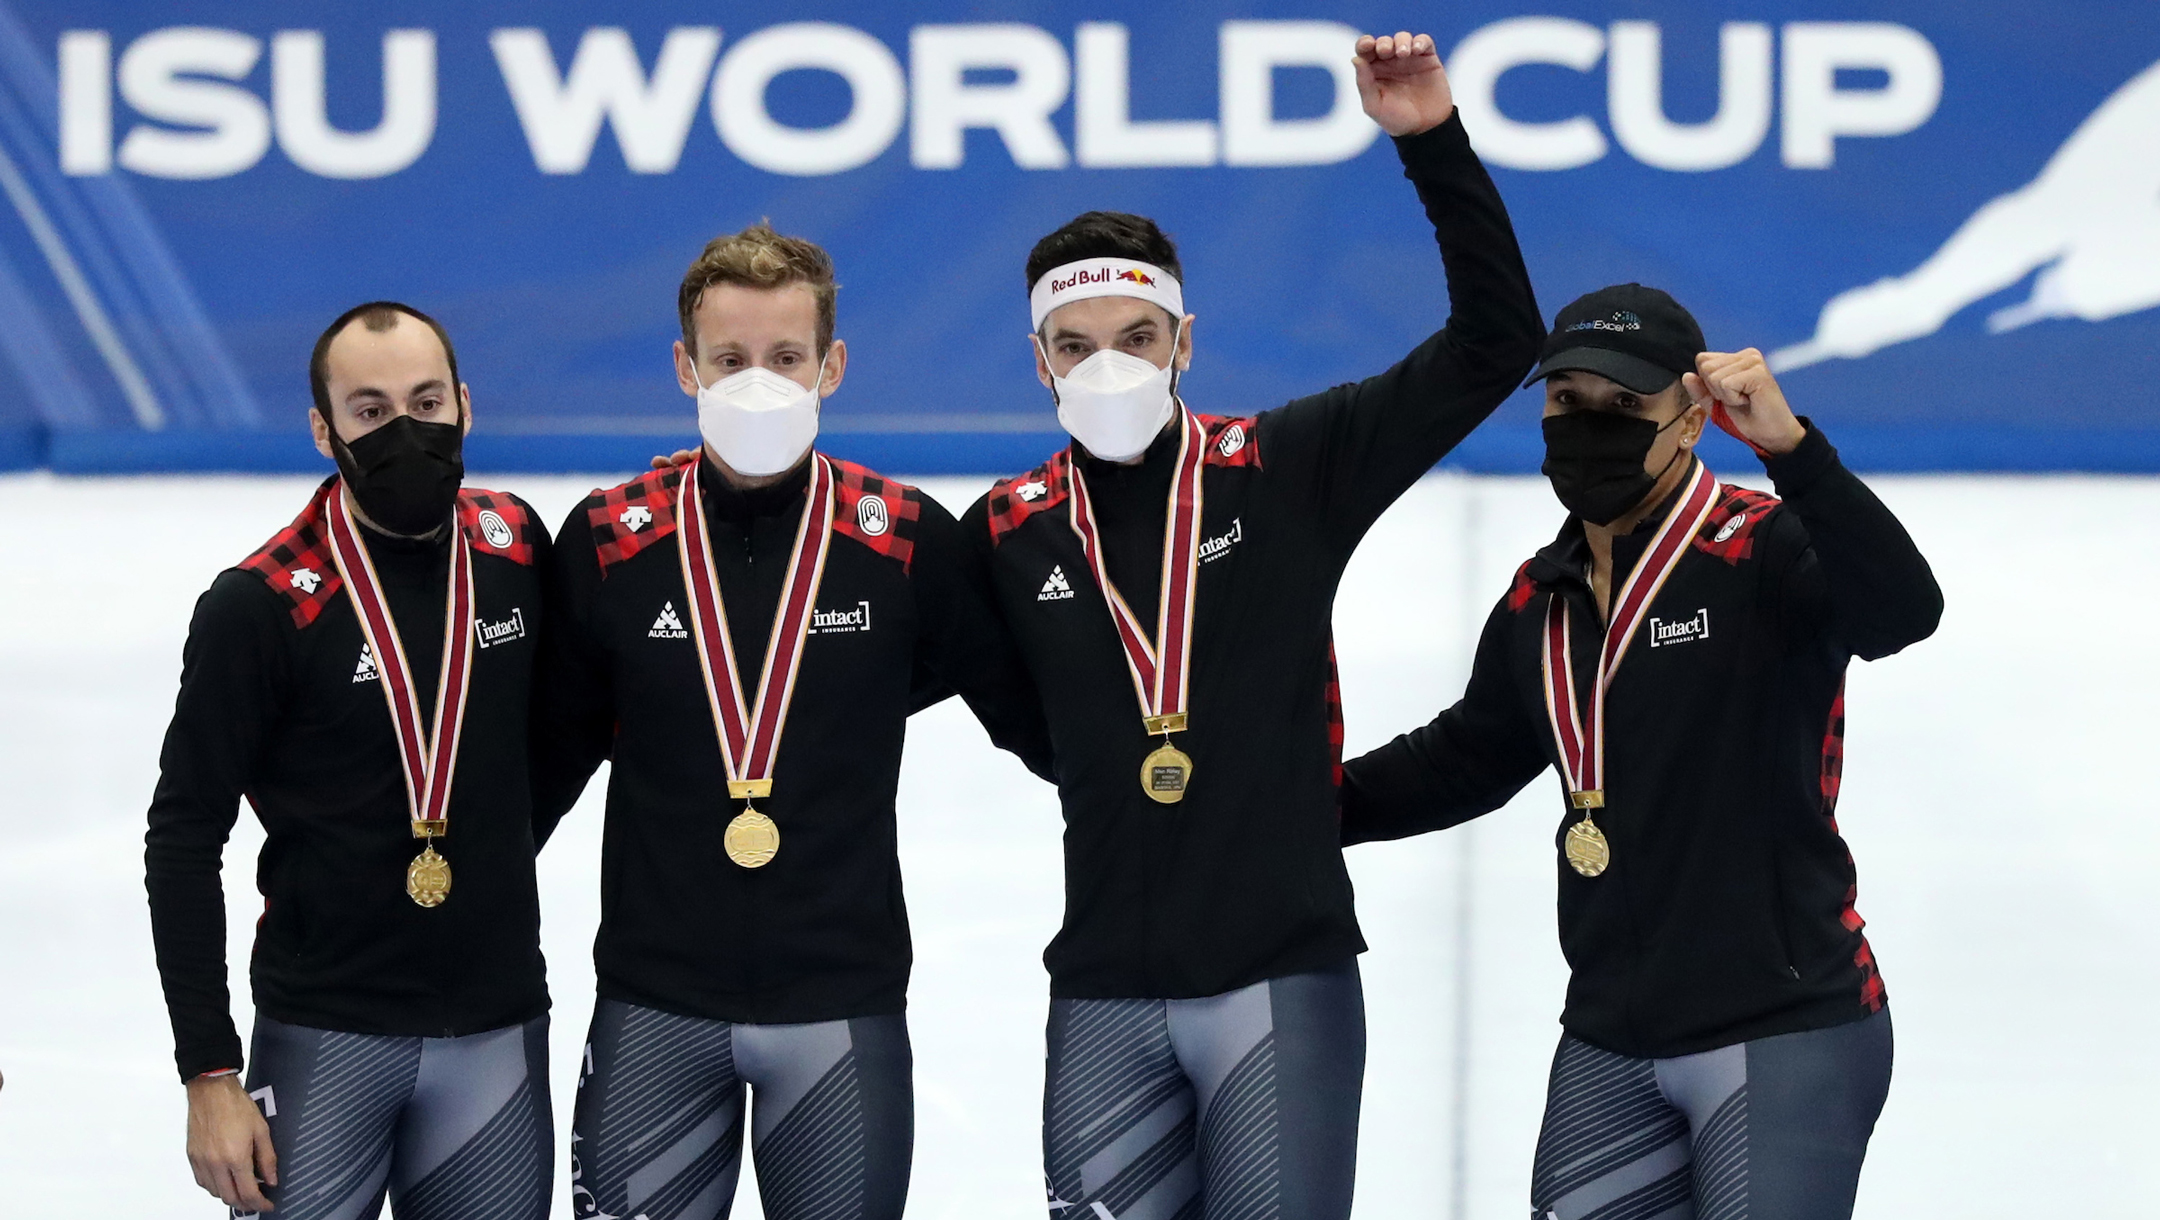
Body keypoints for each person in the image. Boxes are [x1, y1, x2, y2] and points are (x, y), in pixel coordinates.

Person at [959, 31, 1543, 1217]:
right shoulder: (1006, 532)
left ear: (1185, 341)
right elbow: (1031, 719)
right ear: (1039, 364)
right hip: (1105, 988)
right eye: (1075, 348)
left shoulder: (1285, 466)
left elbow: (1496, 344)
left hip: (1286, 973)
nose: (1105, 366)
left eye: (1135, 338)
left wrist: (1431, 141)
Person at [1341, 284, 1944, 1220]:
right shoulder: (1539, 601)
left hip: (1784, 1028)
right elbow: (1466, 757)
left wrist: (1794, 452)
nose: (1591, 426)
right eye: (1568, 401)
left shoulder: (1763, 552)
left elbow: (1905, 612)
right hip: (1609, 1039)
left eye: (1627, 407)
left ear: (1693, 420)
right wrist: (1290, 803)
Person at [532, 222, 1054, 1220]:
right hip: (654, 1006)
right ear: (685, 365)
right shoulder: (608, 541)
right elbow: (531, 782)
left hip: (841, 1008)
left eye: (785, 358)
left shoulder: (904, 542)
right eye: (729, 360)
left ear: (833, 366)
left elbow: (1048, 727)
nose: (756, 382)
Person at [145, 302, 554, 1218]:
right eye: (370, 412)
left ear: (466, 406)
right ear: (323, 431)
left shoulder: (516, 546)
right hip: (324, 1032)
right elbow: (181, 839)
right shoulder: (260, 607)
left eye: (426, 400)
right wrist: (209, 1073)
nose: (405, 429)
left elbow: (575, 724)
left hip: (496, 1026)